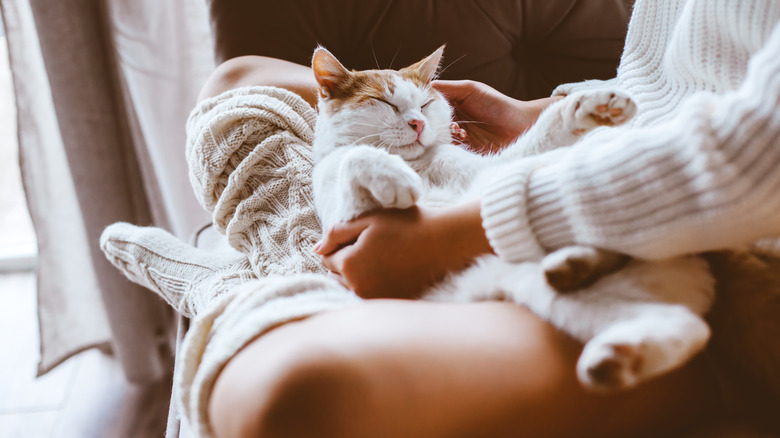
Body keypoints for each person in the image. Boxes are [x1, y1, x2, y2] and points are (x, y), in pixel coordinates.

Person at [100, 0, 779, 437]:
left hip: (729, 239)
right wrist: (539, 116)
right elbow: (694, 83)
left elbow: (760, 152)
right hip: (635, 153)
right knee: (237, 83)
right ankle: (283, 263)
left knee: (286, 396)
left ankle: (231, 281)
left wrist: (458, 233)